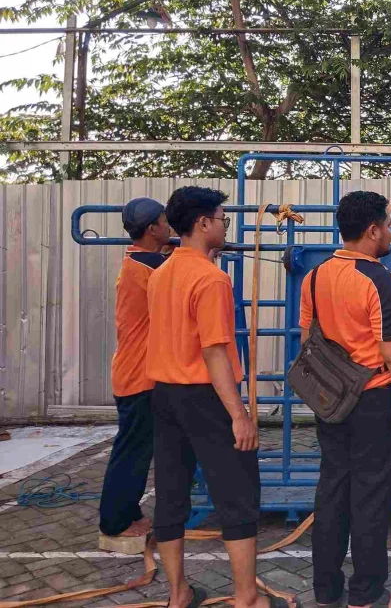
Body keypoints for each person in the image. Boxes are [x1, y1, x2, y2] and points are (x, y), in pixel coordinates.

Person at [301, 191, 391, 608]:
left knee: (331, 493)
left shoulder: (315, 275)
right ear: (372, 230)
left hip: (332, 402)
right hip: (374, 405)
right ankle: (367, 594)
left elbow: (309, 337)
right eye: (388, 223)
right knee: (370, 499)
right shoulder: (379, 279)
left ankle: (326, 591)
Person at [147, 187, 277, 608]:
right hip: (205, 396)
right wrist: (239, 415)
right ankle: (246, 598)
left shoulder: (162, 272)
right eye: (222, 218)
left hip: (164, 396)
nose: (225, 225)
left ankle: (178, 593)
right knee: (237, 493)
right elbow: (214, 351)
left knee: (170, 493)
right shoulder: (211, 279)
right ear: (203, 223)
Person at [98, 197, 171, 541]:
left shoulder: (139, 259)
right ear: (153, 228)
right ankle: (114, 522)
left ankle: (129, 512)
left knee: (138, 447)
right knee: (132, 451)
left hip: (134, 370)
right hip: (138, 374)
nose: (169, 224)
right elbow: (182, 272)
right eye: (164, 221)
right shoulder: (150, 268)